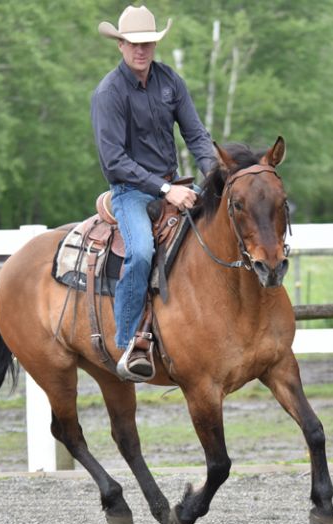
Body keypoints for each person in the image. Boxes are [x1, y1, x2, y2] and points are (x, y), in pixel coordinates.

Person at [91, 5, 216, 381]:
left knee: (224, 226)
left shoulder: (169, 81)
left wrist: (217, 178)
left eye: (147, 43)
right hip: (131, 191)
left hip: (173, 184)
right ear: (121, 46)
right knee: (142, 252)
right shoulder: (109, 93)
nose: (140, 50)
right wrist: (165, 189)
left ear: (154, 44)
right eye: (133, 43)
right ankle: (129, 342)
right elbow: (114, 161)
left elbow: (195, 134)